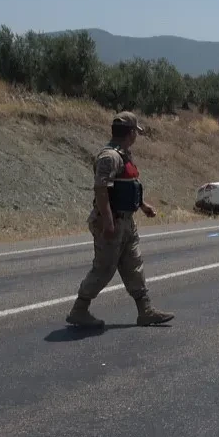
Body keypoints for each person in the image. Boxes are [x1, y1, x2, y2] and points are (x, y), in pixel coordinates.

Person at [66, 112, 174, 328]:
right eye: (136, 132)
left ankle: (145, 311)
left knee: (133, 264)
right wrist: (108, 222)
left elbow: (131, 185)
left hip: (126, 221)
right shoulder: (109, 157)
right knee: (104, 268)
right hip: (112, 221)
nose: (137, 136)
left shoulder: (125, 155)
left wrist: (142, 206)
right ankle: (79, 309)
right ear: (131, 132)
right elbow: (101, 190)